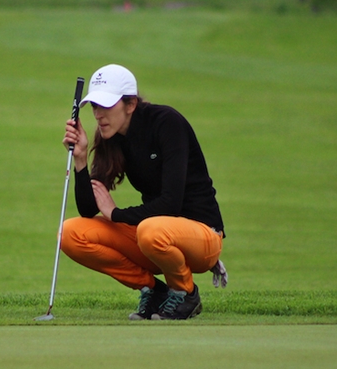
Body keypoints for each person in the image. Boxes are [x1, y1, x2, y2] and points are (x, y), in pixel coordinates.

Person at [61, 64, 228, 320]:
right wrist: (81, 159)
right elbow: (88, 209)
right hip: (156, 240)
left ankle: (186, 293)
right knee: (71, 233)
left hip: (203, 236)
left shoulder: (166, 122)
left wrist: (116, 214)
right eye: (94, 106)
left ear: (130, 105)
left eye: (106, 105)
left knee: (150, 231)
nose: (98, 114)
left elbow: (171, 204)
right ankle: (154, 290)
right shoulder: (110, 137)